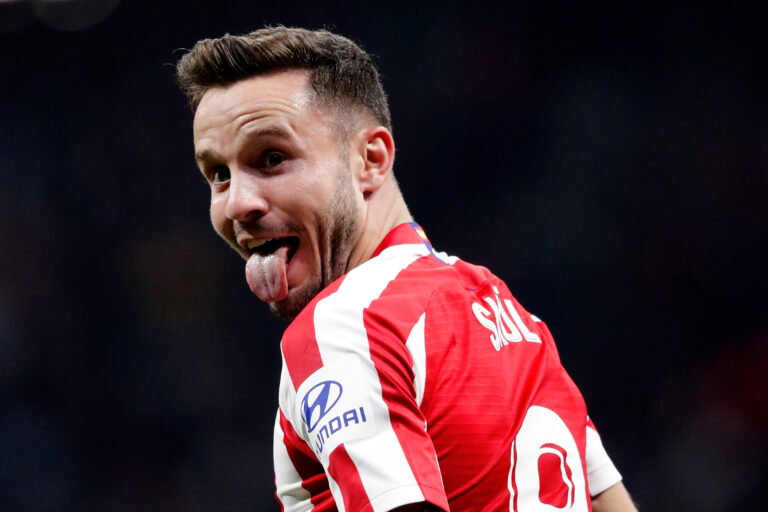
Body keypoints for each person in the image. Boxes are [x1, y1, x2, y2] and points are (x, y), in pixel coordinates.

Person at [176, 26, 637, 512]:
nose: (238, 204)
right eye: (218, 174)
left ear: (371, 161)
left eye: (272, 158)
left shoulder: (343, 323)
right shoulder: (513, 316)